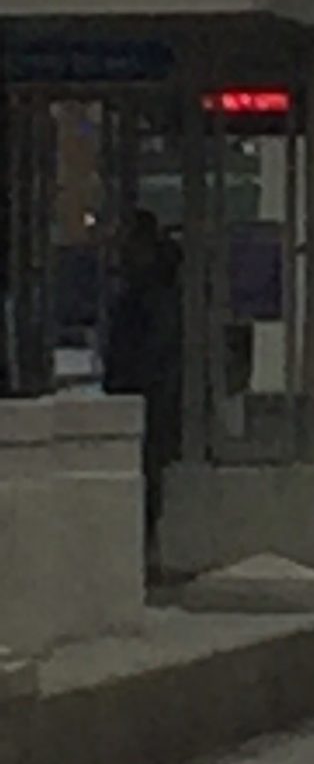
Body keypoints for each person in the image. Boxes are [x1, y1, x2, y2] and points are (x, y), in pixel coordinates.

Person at [103, 211, 183, 563]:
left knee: (148, 471)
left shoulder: (149, 293)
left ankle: (145, 544)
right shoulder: (159, 287)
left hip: (151, 392)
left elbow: (151, 347)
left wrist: (126, 381)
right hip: (151, 390)